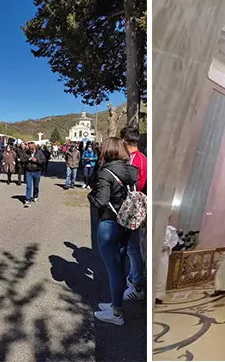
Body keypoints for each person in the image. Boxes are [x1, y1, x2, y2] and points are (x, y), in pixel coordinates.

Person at [87, 137, 138, 325]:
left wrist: (90, 196)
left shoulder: (106, 172)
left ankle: (117, 313)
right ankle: (115, 303)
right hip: (126, 222)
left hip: (109, 222)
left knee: (113, 270)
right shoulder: (131, 170)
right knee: (121, 264)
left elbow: (100, 200)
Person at [121, 128, 148, 301]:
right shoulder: (141, 158)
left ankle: (136, 283)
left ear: (124, 142)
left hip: (133, 206)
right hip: (136, 204)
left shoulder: (135, 159)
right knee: (133, 247)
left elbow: (133, 185)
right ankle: (133, 277)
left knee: (133, 248)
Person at [155, 225, 180, 305]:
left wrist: (168, 247)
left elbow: (174, 241)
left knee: (161, 275)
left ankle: (158, 296)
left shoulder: (170, 229)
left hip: (163, 255)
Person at [23, 141, 47, 208]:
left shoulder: (39, 153)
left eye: (32, 148)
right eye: (29, 148)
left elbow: (44, 160)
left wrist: (36, 160)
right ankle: (28, 199)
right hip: (28, 171)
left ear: (34, 147)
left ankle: (35, 196)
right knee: (28, 186)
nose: (31, 149)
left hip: (37, 171)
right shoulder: (26, 152)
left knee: (36, 186)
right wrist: (28, 159)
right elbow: (22, 160)